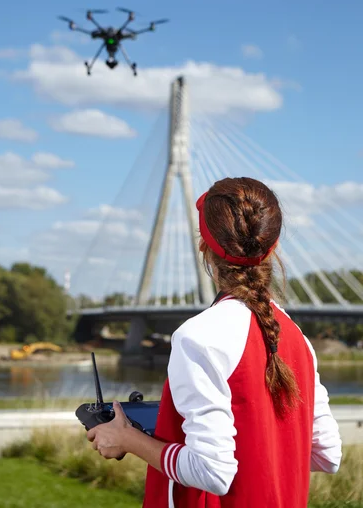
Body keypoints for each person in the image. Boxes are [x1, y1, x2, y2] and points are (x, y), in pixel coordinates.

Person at [86, 177, 342, 507]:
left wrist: (127, 438)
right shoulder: (296, 338)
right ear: (273, 247)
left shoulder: (199, 337)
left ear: (203, 246)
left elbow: (213, 472)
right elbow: (327, 454)